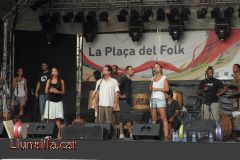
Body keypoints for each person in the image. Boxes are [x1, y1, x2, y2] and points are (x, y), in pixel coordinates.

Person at [149, 63, 169, 140]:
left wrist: (157, 89)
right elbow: (150, 88)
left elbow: (167, 89)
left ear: (161, 68)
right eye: (155, 67)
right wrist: (151, 84)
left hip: (160, 99)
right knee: (153, 118)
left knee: (163, 117)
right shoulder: (153, 77)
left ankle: (166, 136)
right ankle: (154, 135)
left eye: (157, 67)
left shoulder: (164, 77)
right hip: (153, 98)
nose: (156, 68)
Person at [44, 67, 65, 138]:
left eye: (55, 71)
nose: (54, 72)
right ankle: (48, 134)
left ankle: (59, 133)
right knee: (49, 118)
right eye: (53, 71)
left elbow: (63, 92)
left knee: (57, 119)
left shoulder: (61, 81)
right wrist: (50, 90)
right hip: (50, 101)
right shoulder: (48, 81)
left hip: (58, 102)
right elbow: (46, 91)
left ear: (58, 72)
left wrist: (57, 91)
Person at [118, 66, 134, 140]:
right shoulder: (124, 78)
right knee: (128, 119)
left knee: (122, 118)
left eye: (133, 70)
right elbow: (116, 86)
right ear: (126, 71)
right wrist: (120, 96)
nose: (133, 71)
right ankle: (131, 135)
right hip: (123, 101)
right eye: (131, 70)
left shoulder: (129, 80)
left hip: (126, 101)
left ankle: (121, 134)